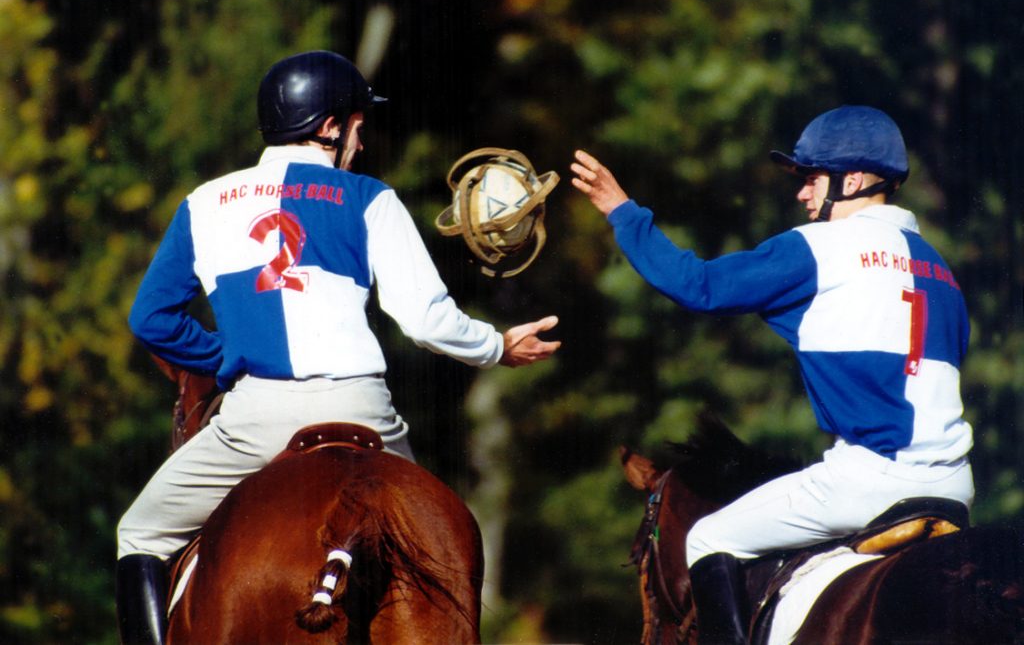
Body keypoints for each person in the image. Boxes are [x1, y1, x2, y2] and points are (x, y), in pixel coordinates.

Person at [116, 50, 561, 645]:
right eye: (357, 124)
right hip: (364, 411)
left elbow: (150, 319)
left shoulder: (202, 203)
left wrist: (226, 360)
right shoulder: (370, 198)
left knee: (139, 535)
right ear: (328, 127)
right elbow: (426, 321)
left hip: (258, 419)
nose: (361, 139)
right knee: (432, 530)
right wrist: (498, 346)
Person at [571, 105, 974, 644]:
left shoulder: (820, 248)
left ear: (851, 180)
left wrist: (622, 212)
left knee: (707, 539)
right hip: (955, 486)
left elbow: (698, 286)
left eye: (811, 179)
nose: (803, 195)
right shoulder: (940, 269)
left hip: (868, 482)